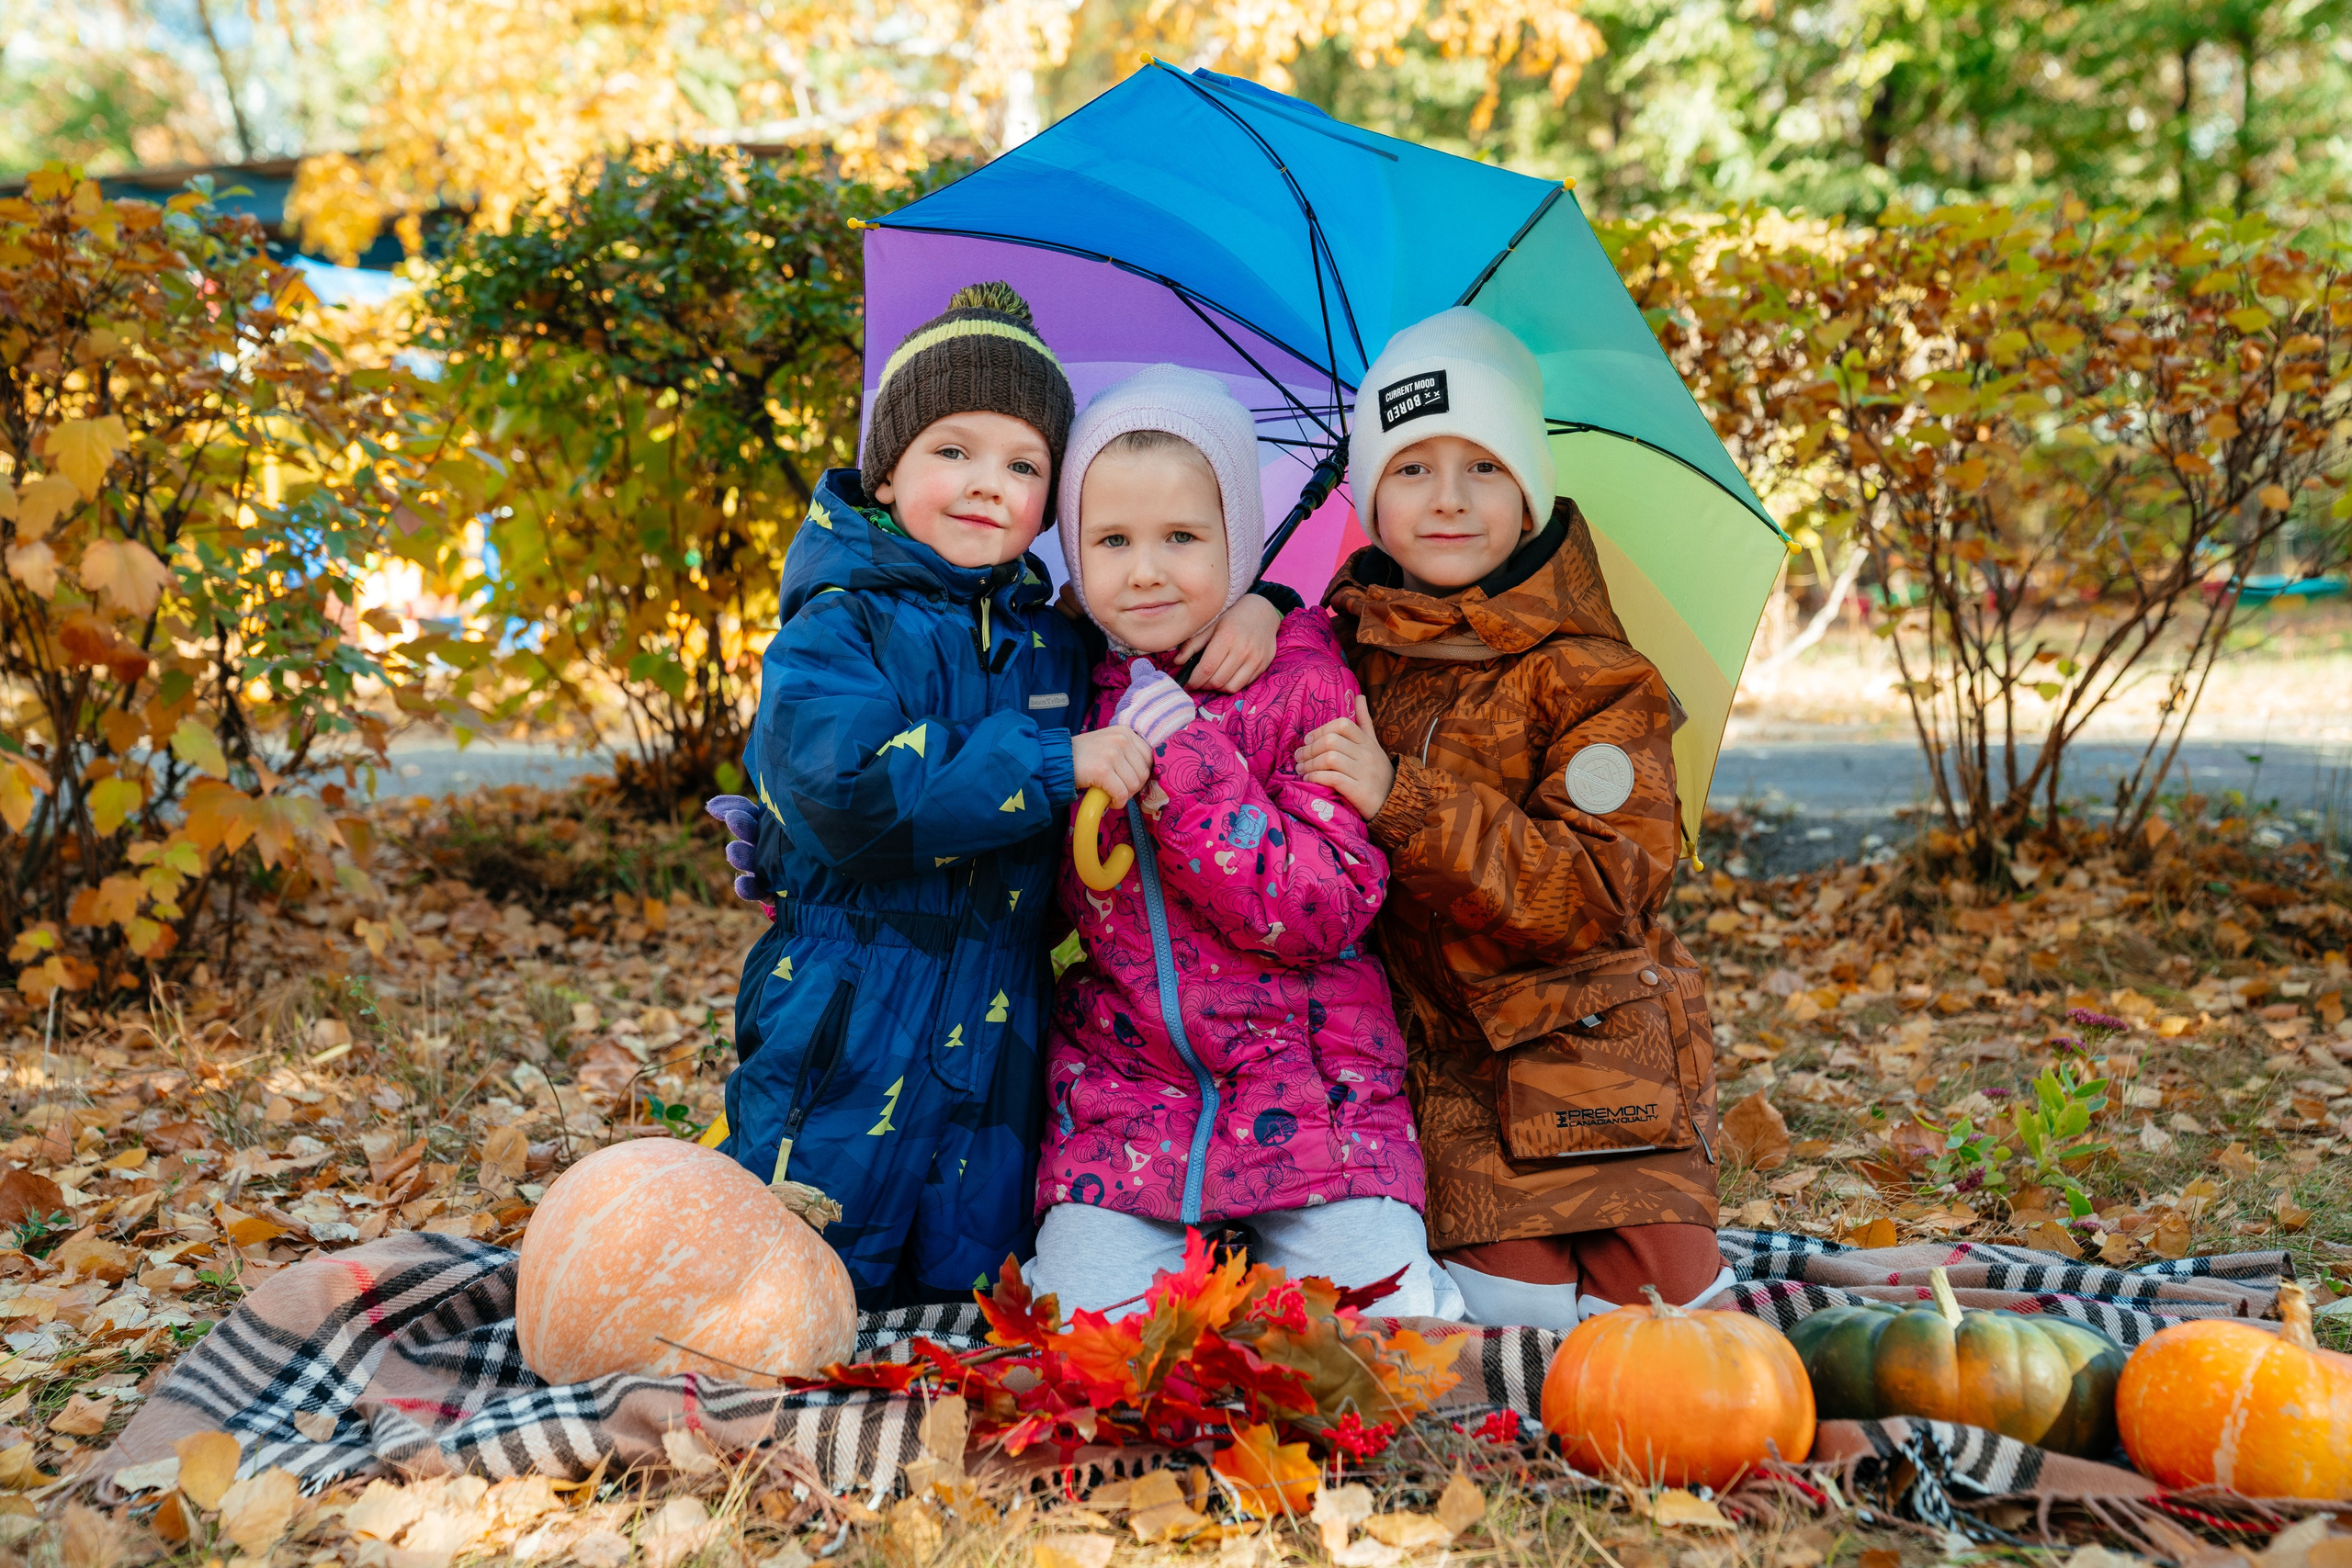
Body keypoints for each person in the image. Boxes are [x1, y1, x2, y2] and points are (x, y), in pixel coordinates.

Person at [714, 286, 1286, 1307]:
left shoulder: (1052, 638)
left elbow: (1162, 618)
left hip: (1000, 1022)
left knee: (964, 1290)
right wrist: (1055, 765)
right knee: (792, 1273)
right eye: (954, 451)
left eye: (1023, 466)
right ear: (886, 469)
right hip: (848, 1003)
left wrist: (1261, 602)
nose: (988, 485)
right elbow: (848, 790)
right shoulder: (836, 628)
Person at [1295, 309, 1728, 1330]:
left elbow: (1594, 892)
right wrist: (1257, 613)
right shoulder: (1331, 652)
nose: (1446, 500)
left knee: (1674, 1322)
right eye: (1410, 469)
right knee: (1510, 1322)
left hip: (1591, 1049)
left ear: (1529, 491)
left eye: (1483, 468)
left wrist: (1401, 797)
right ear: (1366, 496)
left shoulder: (1594, 677)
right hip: (1431, 1064)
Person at [1027, 365, 1458, 1319]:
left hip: (1312, 1090)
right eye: (1112, 541)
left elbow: (1321, 908)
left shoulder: (1302, 684)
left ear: (1241, 546)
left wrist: (1186, 758)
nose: (1146, 569)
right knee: (1081, 1332)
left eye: (1182, 537)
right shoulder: (1063, 690)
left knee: (1388, 1332)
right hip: (1129, 1094)